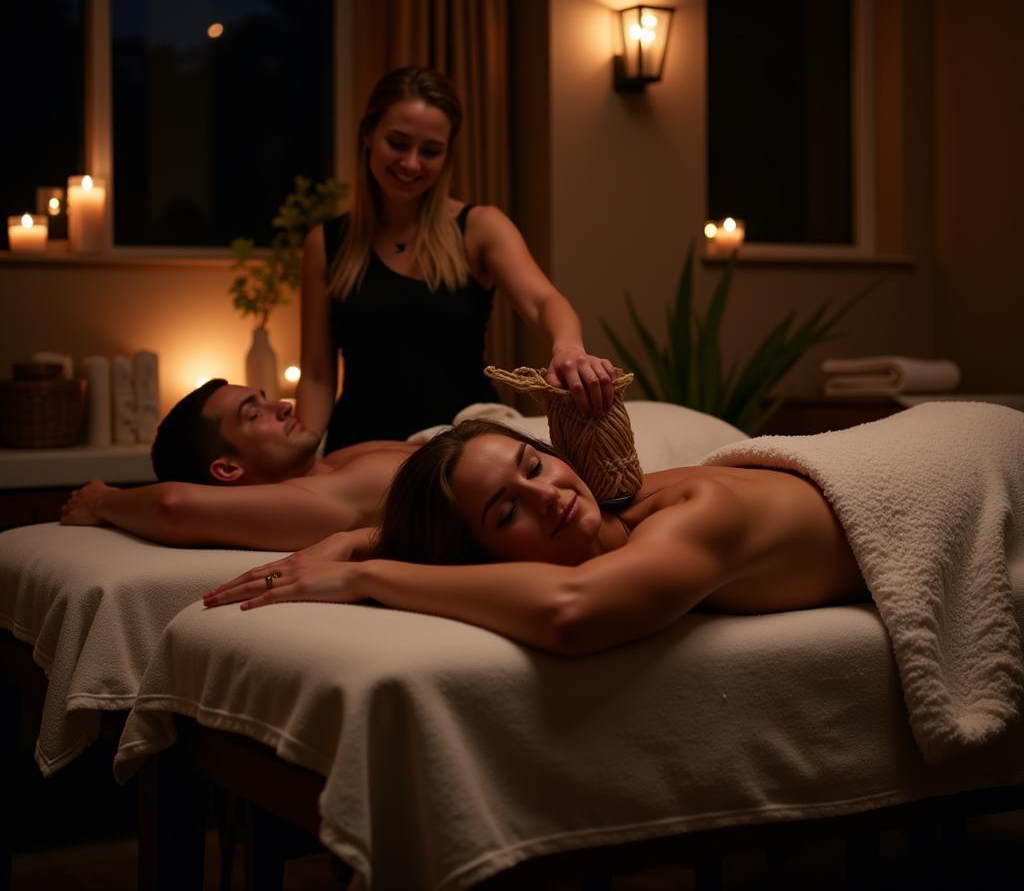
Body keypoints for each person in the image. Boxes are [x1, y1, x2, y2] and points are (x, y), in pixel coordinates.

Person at [202, 419, 868, 655]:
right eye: (506, 511)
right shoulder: (629, 524)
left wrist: (363, 570)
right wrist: (361, 539)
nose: (549, 493)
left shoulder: (697, 512)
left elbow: (569, 611)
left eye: (535, 464)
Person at [298, 66, 616, 452]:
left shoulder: (480, 228)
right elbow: (316, 374)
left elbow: (543, 301)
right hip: (362, 448)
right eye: (398, 143)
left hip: (462, 448)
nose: (412, 163)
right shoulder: (326, 243)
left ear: (447, 153)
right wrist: (304, 450)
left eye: (430, 151)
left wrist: (567, 347)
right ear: (369, 135)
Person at [60, 378, 414, 553]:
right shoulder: (309, 499)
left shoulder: (339, 461)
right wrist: (102, 501)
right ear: (227, 469)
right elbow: (172, 506)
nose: (283, 406)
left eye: (265, 398)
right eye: (255, 413)